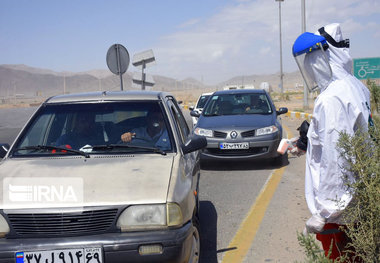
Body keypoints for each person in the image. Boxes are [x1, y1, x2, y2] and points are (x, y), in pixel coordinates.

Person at [292, 23, 372, 260]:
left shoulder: (332, 98)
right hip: (359, 202)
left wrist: (325, 213)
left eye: (312, 62)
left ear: (324, 58)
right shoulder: (356, 86)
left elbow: (336, 159)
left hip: (341, 216)